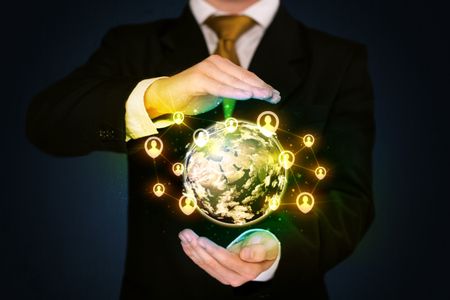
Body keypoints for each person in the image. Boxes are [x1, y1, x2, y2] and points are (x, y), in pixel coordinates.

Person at [26, 0, 375, 299]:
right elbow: (47, 124)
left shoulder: (337, 58)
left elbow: (351, 200)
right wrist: (159, 97)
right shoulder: (132, 46)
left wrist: (279, 251)